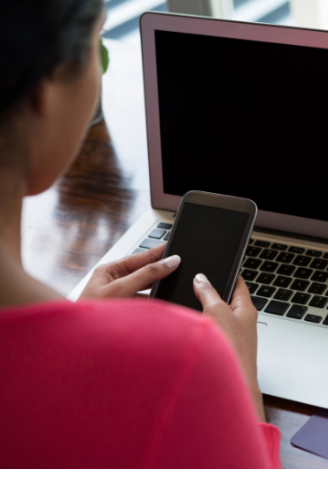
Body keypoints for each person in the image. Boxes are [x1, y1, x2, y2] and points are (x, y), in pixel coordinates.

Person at [0, 0, 280, 468]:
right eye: (96, 44)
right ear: (43, 91)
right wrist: (238, 382)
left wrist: (66, 331)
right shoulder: (181, 361)